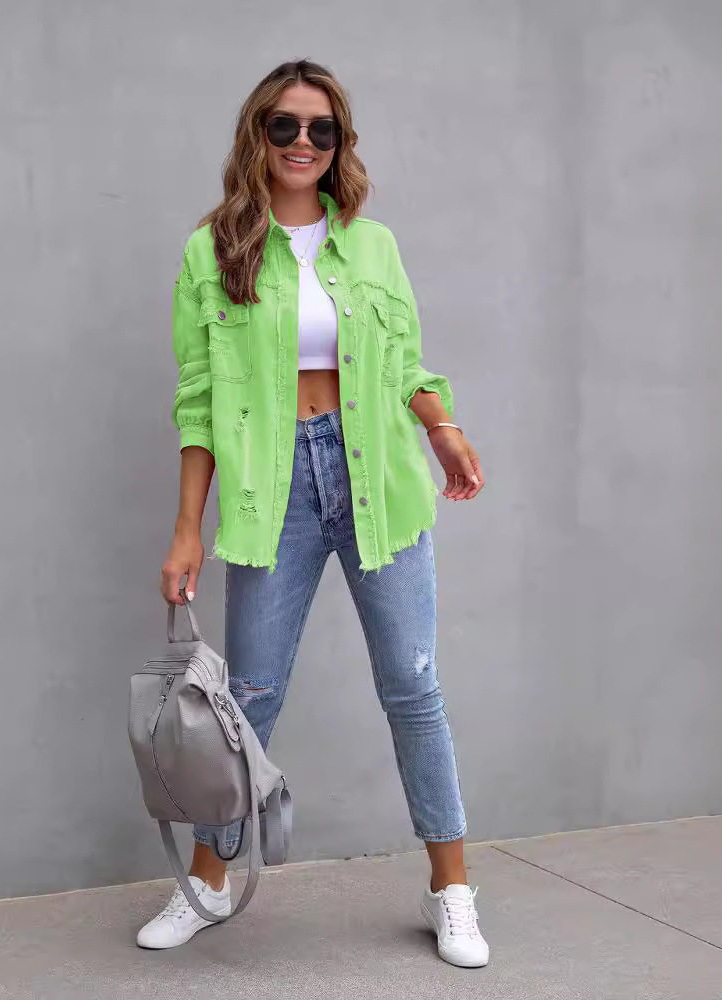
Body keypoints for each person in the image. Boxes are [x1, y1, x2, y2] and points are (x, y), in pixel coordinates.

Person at [139, 60, 488, 968]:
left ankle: (451, 890)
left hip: (376, 475)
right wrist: (187, 528)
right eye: (285, 126)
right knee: (246, 701)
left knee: (413, 685)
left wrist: (443, 429)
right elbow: (198, 400)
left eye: (321, 129)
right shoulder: (212, 250)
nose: (303, 142)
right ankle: (209, 884)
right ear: (257, 134)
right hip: (273, 487)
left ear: (340, 144)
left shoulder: (372, 247)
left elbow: (405, 362)